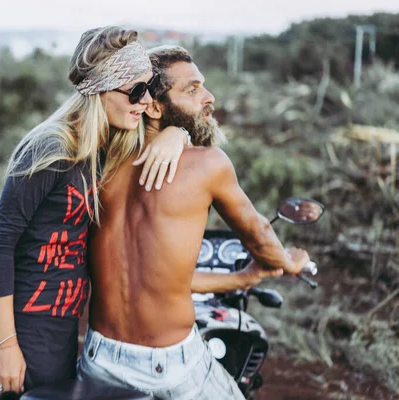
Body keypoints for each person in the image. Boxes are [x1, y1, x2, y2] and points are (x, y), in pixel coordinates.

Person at [78, 45, 311, 399]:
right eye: (192, 89)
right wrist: (287, 262)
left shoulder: (100, 162)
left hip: (98, 357)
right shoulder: (208, 164)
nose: (209, 97)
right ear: (153, 106)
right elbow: (260, 234)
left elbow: (160, 282)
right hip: (171, 365)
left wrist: (242, 279)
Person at [0, 28, 191, 400]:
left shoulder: (108, 147)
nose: (145, 100)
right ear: (101, 90)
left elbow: (197, 143)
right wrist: (5, 346)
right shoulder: (54, 148)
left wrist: (177, 135)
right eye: (136, 91)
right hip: (24, 325)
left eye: (149, 86)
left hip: (63, 329)